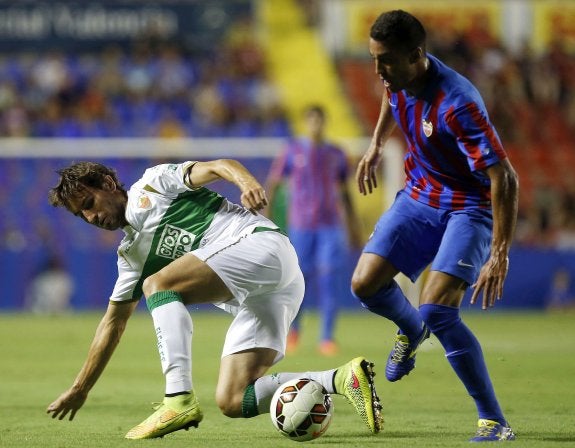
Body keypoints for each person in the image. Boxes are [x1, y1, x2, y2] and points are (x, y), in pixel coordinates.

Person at [45, 159, 383, 439]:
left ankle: (177, 398)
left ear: (107, 183)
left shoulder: (154, 184)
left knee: (159, 285)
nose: (91, 218)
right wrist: (80, 388)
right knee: (233, 399)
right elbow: (113, 323)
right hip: (266, 294)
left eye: (88, 204)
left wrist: (247, 182)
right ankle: (341, 378)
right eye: (81, 215)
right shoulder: (130, 256)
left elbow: (220, 165)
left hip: (263, 246)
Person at [351, 10, 519, 442]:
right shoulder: (398, 78)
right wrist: (375, 145)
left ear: (417, 55)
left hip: (468, 207)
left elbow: (505, 176)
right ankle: (411, 331)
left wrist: (499, 252)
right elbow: (392, 96)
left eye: (385, 60)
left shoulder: (458, 103)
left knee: (438, 308)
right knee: (364, 284)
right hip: (420, 194)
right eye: (374, 59)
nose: (378, 70)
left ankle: (493, 420)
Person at [266, 105, 362, 356]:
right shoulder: (292, 150)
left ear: (324, 123)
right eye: (311, 121)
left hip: (330, 225)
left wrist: (353, 225)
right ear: (306, 124)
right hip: (301, 224)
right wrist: (266, 217)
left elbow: (345, 191)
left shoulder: (337, 154)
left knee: (330, 280)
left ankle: (327, 338)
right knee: (299, 280)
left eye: (319, 121)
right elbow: (274, 184)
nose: (315, 126)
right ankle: (294, 331)